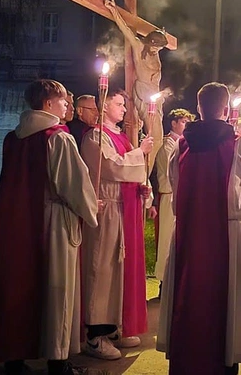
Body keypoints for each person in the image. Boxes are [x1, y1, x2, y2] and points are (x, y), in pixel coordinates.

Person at [0, 79, 99, 375]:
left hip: (18, 222)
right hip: (54, 221)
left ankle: (15, 357)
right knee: (57, 290)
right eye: (63, 102)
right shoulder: (58, 137)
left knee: (18, 287)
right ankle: (58, 360)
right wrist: (90, 209)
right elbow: (73, 184)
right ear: (48, 104)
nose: (66, 107)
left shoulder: (14, 137)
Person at [157, 82, 241, 375]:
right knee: (228, 308)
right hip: (230, 234)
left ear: (198, 108)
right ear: (227, 109)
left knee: (188, 297)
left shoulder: (181, 146)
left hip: (189, 235)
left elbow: (175, 191)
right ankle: (225, 362)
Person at [80, 87, 155, 360]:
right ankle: (94, 335)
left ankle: (113, 326)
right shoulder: (95, 136)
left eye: (125, 105)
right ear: (104, 104)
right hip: (107, 211)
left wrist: (143, 190)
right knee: (102, 272)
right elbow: (111, 168)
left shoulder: (121, 136)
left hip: (124, 211)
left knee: (119, 272)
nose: (124, 110)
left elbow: (133, 173)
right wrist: (140, 152)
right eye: (120, 104)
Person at [104, 0, 173, 172]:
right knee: (155, 137)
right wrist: (114, 9)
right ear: (150, 41)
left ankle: (145, 173)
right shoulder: (139, 46)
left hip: (155, 97)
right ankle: (143, 172)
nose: (157, 50)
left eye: (160, 47)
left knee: (157, 136)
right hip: (143, 92)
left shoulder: (155, 53)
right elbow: (126, 29)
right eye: (156, 46)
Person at [153, 108, 195, 286]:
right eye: (183, 122)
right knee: (167, 240)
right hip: (169, 194)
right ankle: (165, 279)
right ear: (174, 123)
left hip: (177, 196)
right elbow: (171, 172)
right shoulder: (168, 145)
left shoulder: (182, 144)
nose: (186, 126)